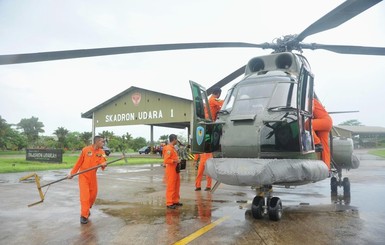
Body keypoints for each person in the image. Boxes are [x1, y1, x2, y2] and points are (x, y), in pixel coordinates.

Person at [67, 135, 108, 224]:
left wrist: (104, 164)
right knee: (85, 196)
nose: (103, 143)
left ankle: (87, 208)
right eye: (102, 141)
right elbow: (79, 162)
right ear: (96, 142)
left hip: (93, 176)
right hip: (83, 176)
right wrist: (72, 173)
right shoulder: (85, 150)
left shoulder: (102, 151)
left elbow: (103, 161)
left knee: (93, 195)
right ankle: (84, 215)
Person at [310, 97, 333, 170]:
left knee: (306, 125)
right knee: (325, 147)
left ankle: (317, 143)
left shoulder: (309, 100)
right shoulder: (315, 101)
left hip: (324, 121)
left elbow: (310, 110)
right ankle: (327, 168)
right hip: (327, 122)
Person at [163, 134, 182, 209]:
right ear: (174, 139)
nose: (177, 141)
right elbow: (166, 160)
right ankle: (169, 203)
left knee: (176, 185)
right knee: (171, 186)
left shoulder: (173, 148)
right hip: (171, 170)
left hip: (175, 169)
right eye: (176, 139)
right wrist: (175, 161)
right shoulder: (169, 148)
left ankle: (175, 201)